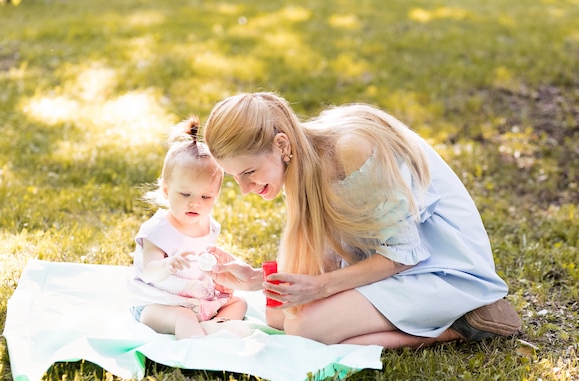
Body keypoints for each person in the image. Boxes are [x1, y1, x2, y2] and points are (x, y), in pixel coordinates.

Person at [201, 92, 521, 349]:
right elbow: (332, 253)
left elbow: (403, 254)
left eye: (248, 173)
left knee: (303, 329)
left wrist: (321, 287)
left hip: (442, 270)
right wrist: (259, 279)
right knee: (278, 317)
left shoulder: (350, 150)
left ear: (281, 145)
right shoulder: (299, 163)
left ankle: (462, 325)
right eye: (235, 178)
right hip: (391, 264)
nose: (244, 189)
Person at [127, 116, 248, 339]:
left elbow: (201, 266)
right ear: (166, 191)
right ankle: (197, 350)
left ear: (216, 195)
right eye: (185, 194)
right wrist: (166, 264)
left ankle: (217, 327)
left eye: (206, 196)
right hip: (156, 303)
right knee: (183, 317)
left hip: (196, 300)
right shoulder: (159, 230)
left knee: (239, 302)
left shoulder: (208, 226)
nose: (195, 203)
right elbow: (150, 271)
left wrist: (217, 281)